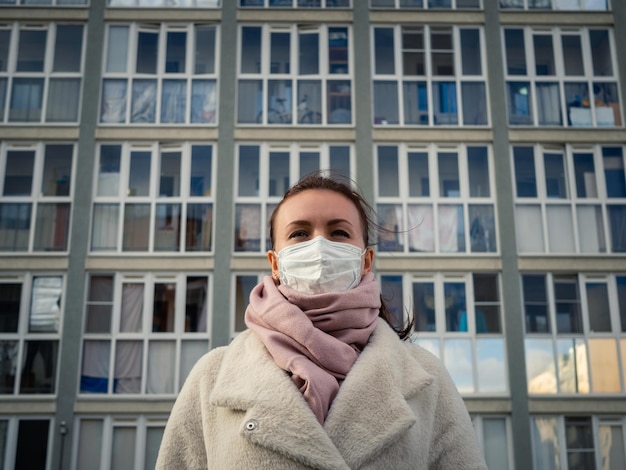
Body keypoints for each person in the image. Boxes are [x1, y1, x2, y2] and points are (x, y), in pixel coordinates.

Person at [156, 172, 487, 470]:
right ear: (275, 262)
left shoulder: (428, 379)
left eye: (339, 232)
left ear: (365, 260)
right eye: (299, 233)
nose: (319, 245)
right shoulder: (211, 377)